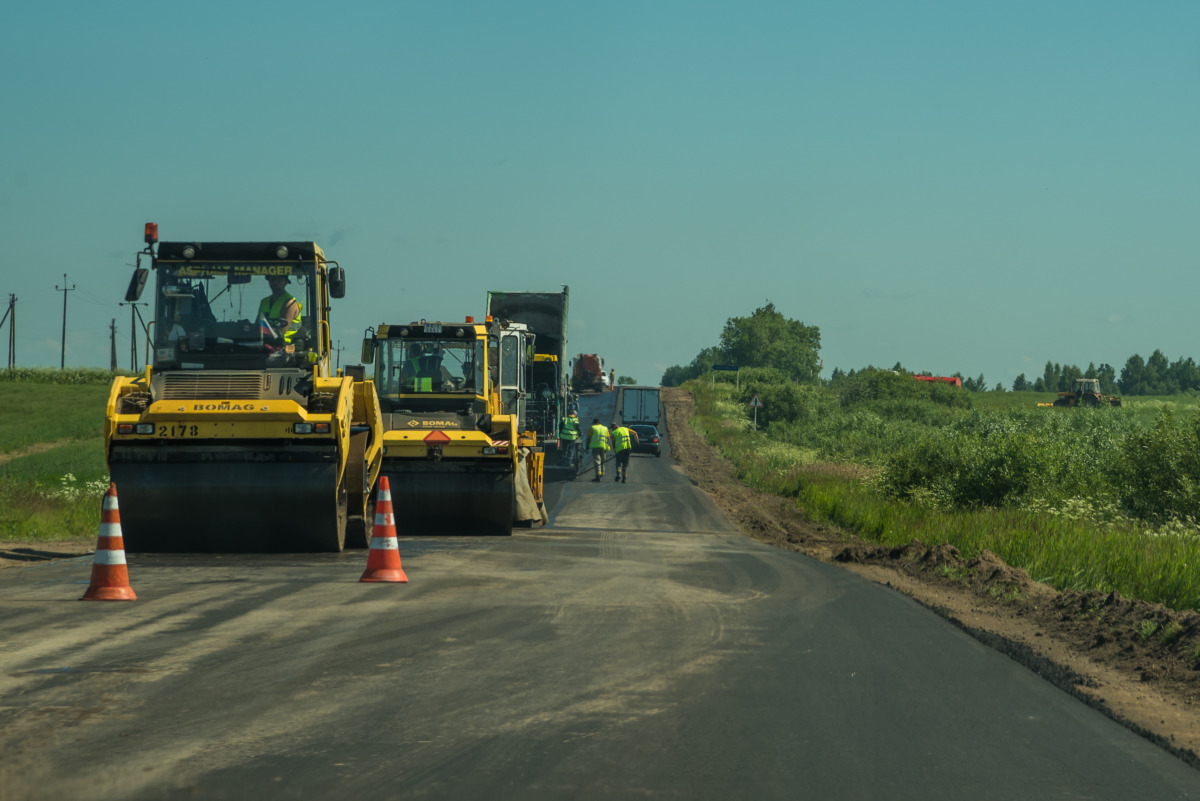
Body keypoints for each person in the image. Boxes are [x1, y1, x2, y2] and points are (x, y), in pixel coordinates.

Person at [258, 273, 302, 345]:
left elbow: (281, 332)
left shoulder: (290, 303)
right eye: (272, 278)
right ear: (268, 280)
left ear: (286, 282)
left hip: (285, 348)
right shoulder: (264, 302)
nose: (275, 281)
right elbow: (257, 325)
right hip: (264, 344)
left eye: (279, 279)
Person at [586, 418, 611, 482]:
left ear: (594, 423)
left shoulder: (593, 428)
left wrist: (587, 447)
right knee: (603, 460)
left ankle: (598, 475)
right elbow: (608, 438)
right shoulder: (605, 428)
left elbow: (588, 438)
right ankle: (602, 473)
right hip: (603, 446)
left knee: (597, 461)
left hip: (595, 447)